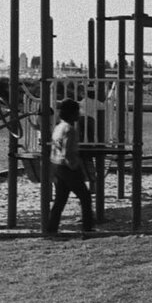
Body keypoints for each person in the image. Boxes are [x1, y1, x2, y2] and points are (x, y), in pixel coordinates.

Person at [47, 98, 95, 234]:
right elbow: (67, 151)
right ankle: (87, 228)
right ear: (72, 113)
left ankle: (51, 229)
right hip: (67, 167)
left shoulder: (58, 127)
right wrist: (74, 166)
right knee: (85, 197)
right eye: (77, 111)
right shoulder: (70, 129)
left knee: (60, 200)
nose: (79, 114)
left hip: (56, 166)